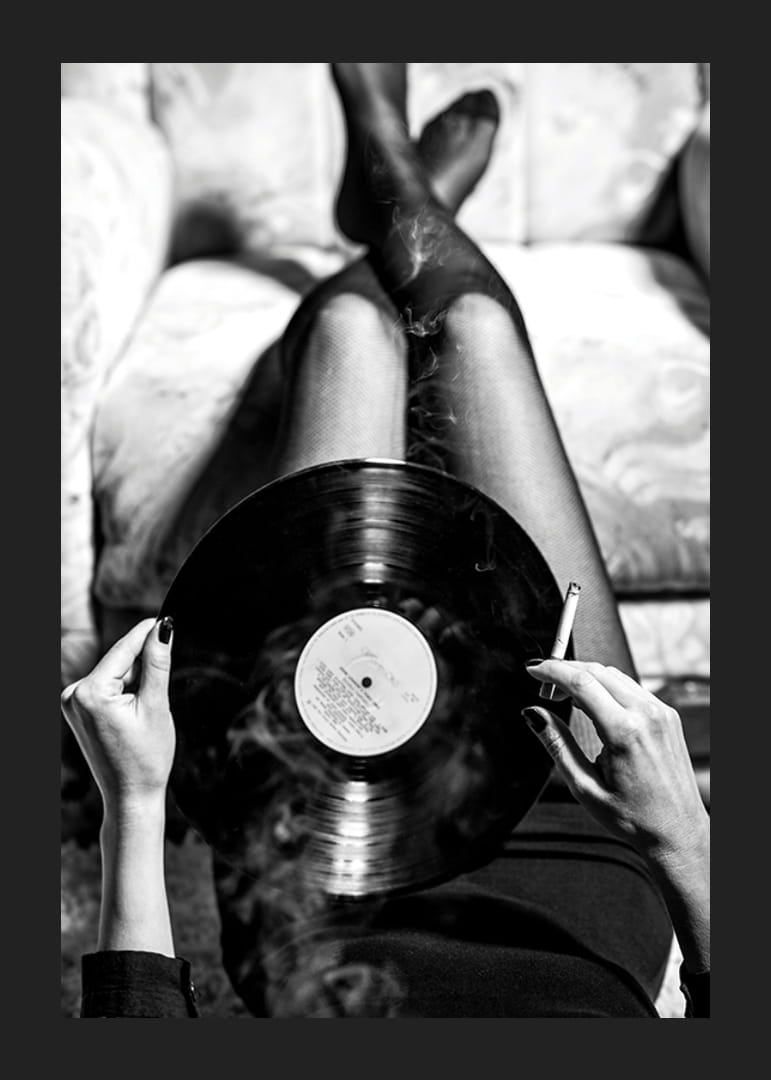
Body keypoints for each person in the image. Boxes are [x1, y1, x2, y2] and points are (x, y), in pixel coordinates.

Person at [61, 63, 709, 1019]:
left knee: (355, 340)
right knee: (475, 326)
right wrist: (685, 843)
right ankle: (404, 185)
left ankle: (392, 174)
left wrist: (139, 805)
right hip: (581, 827)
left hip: (322, 872)